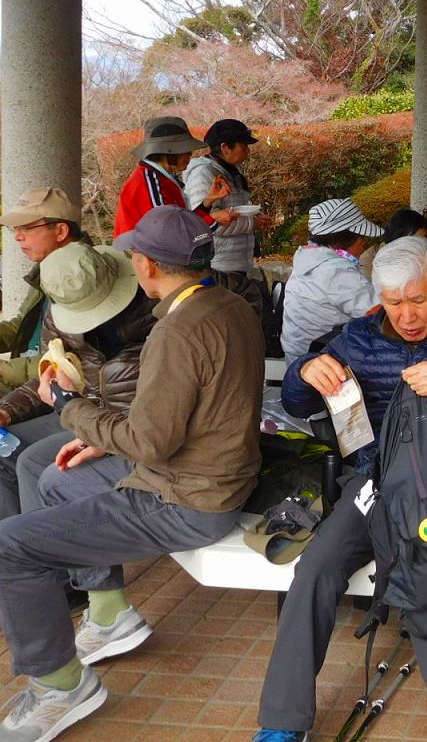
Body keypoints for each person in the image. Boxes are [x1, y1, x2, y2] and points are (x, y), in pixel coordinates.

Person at [0, 206, 264, 742]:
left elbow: (149, 441)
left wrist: (72, 407)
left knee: (9, 546)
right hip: (214, 476)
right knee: (56, 477)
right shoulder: (229, 305)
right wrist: (97, 435)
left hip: (183, 499)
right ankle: (108, 613)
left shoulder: (176, 329)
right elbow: (175, 421)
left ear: (143, 264)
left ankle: (60, 685)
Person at [252, 236, 427, 742]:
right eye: (394, 302)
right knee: (314, 570)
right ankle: (281, 723)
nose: (407, 315)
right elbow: (296, 405)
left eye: (418, 300)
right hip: (374, 482)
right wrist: (304, 370)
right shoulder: (356, 337)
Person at [0, 242, 156, 521]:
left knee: (42, 467)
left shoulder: (157, 311)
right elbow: (52, 376)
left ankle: (52, 550)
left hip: (129, 426)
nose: (20, 238)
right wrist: (8, 409)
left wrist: (102, 433)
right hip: (78, 413)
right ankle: (24, 553)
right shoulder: (60, 307)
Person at [0, 187, 84, 397]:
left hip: (57, 389)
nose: (18, 237)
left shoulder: (85, 277)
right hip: (30, 380)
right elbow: (21, 326)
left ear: (61, 231)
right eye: (15, 228)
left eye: (27, 227)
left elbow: (78, 358)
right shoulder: (46, 268)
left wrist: (3, 370)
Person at [280, 198, 384, 365]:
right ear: (344, 239)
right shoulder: (335, 270)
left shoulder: (308, 258)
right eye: (361, 237)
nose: (364, 243)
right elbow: (378, 313)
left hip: (297, 357)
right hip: (324, 361)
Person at [184, 118, 270, 274]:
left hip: (238, 262)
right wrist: (252, 224)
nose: (247, 151)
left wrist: (256, 215)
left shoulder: (232, 173)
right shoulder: (203, 174)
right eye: (243, 146)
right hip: (218, 265)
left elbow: (235, 208)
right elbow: (206, 223)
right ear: (225, 148)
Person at [115, 116, 222, 237]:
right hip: (144, 254)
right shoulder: (149, 183)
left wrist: (208, 201)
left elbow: (181, 222)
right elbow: (170, 236)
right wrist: (213, 220)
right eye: (185, 149)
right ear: (170, 152)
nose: (190, 154)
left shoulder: (160, 177)